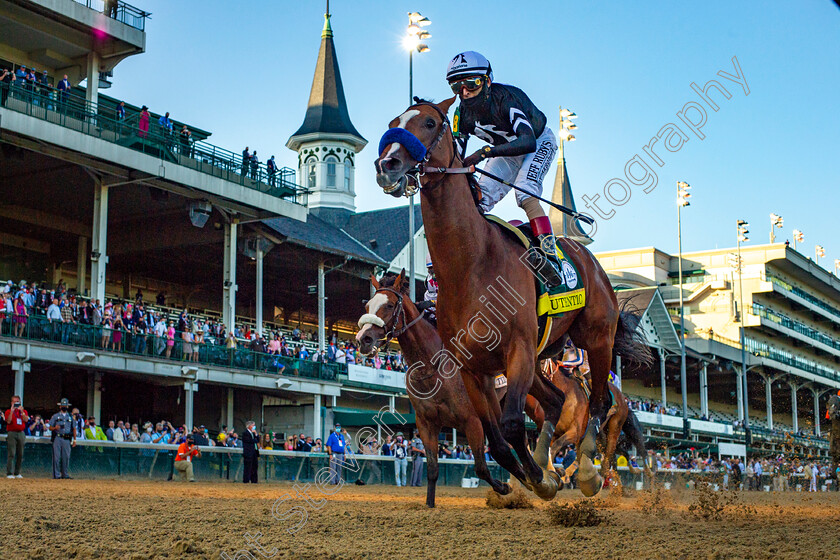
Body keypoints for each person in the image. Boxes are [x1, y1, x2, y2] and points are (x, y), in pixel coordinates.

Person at [446, 51, 564, 287]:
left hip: (537, 141)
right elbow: (457, 156)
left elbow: (528, 141)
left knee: (525, 190)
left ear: (487, 81)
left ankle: (550, 256)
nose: (464, 92)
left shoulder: (506, 98)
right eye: (456, 87)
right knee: (478, 199)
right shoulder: (461, 113)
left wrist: (483, 153)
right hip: (505, 149)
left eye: (471, 83)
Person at [49, 398, 76, 479]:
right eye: (62, 405)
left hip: (67, 438)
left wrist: (74, 440)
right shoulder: (55, 416)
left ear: (67, 406)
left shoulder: (71, 417)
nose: (64, 406)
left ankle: (65, 474)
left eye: (65, 405)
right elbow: (50, 427)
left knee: (66, 457)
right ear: (60, 406)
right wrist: (55, 428)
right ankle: (56, 475)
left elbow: (74, 428)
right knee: (56, 457)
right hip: (58, 437)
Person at [5, 396, 29, 478]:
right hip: (12, 433)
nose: (16, 404)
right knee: (11, 453)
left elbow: (26, 420)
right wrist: (12, 411)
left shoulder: (23, 411)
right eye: (15, 402)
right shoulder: (8, 411)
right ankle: (9, 473)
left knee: (20, 454)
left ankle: (17, 472)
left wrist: (22, 411)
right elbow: (8, 421)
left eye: (18, 402)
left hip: (21, 433)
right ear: (11, 403)